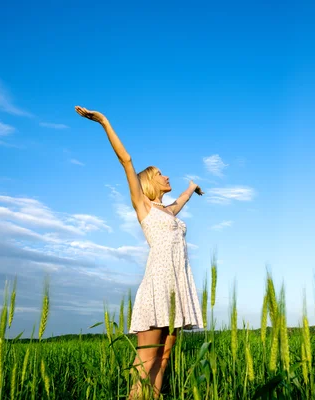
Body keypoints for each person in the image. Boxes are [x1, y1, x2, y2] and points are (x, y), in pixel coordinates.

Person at [75, 106, 205, 399]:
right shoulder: (143, 206)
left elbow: (181, 201)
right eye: (161, 173)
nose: (166, 175)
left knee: (164, 359)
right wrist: (104, 122)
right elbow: (126, 160)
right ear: (149, 181)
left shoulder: (168, 211)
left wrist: (190, 188)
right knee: (146, 362)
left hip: (177, 288)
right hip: (158, 286)